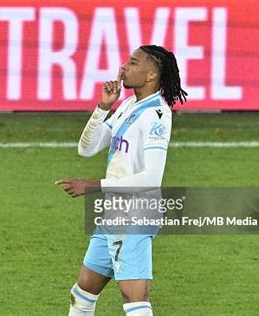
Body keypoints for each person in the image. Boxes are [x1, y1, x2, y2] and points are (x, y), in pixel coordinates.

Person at [55, 45, 187, 315]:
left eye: (133, 62)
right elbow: (87, 148)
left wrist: (92, 186)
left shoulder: (156, 116)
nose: (124, 67)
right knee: (82, 293)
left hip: (135, 214)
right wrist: (103, 107)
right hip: (114, 211)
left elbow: (151, 177)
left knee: (135, 300)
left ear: (151, 75)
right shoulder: (128, 105)